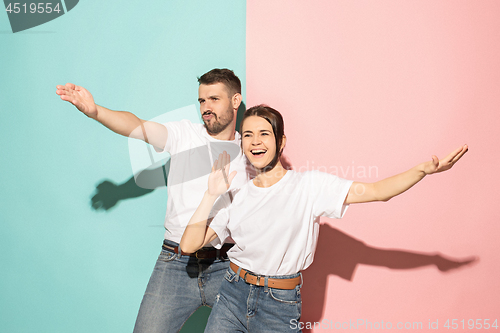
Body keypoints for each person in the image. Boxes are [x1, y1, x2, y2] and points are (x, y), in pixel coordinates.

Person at [180, 105, 468, 332]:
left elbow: (377, 191)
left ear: (281, 142)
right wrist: (210, 195)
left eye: (264, 133)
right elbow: (189, 245)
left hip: (278, 304)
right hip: (231, 294)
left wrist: (421, 171)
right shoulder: (236, 194)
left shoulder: (309, 186)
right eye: (248, 135)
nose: (255, 142)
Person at [56, 69, 255, 332]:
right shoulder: (185, 135)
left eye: (214, 99)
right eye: (202, 101)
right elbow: (138, 126)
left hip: (228, 265)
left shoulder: (251, 152)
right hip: (176, 262)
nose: (206, 108)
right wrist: (96, 112)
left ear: (235, 100)